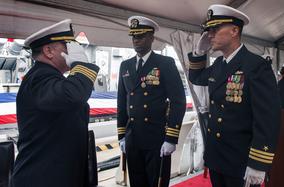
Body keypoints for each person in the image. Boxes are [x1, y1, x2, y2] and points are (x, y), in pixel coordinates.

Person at [188, 4, 280, 187]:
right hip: (217, 157)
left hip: (241, 161)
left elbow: (267, 118)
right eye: (208, 30)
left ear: (234, 30)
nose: (209, 35)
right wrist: (199, 53)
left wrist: (258, 164)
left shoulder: (256, 65)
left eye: (215, 29)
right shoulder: (219, 65)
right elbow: (197, 78)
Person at [11, 19, 99, 187]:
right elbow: (74, 95)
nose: (72, 51)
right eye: (67, 46)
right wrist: (81, 65)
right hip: (43, 178)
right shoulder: (39, 78)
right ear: (49, 51)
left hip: (56, 175)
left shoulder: (49, 77)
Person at [117, 16, 186, 187]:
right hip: (133, 138)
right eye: (134, 36)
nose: (136, 40)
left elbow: (178, 100)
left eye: (140, 36)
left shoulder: (164, 63)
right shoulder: (125, 65)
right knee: (137, 183)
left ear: (151, 38)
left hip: (157, 139)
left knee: (156, 183)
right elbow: (121, 102)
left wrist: (171, 138)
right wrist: (121, 136)